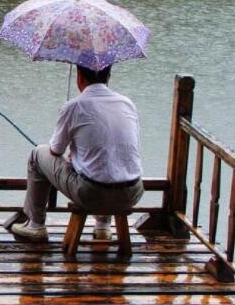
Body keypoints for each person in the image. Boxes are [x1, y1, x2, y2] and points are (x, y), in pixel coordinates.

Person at [11, 64, 143, 241]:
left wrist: (76, 156)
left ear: (79, 76)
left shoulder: (74, 106)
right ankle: (103, 227)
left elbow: (55, 150)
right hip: (132, 192)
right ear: (108, 76)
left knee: (37, 154)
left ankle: (36, 224)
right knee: (109, 162)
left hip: (92, 195)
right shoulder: (127, 104)